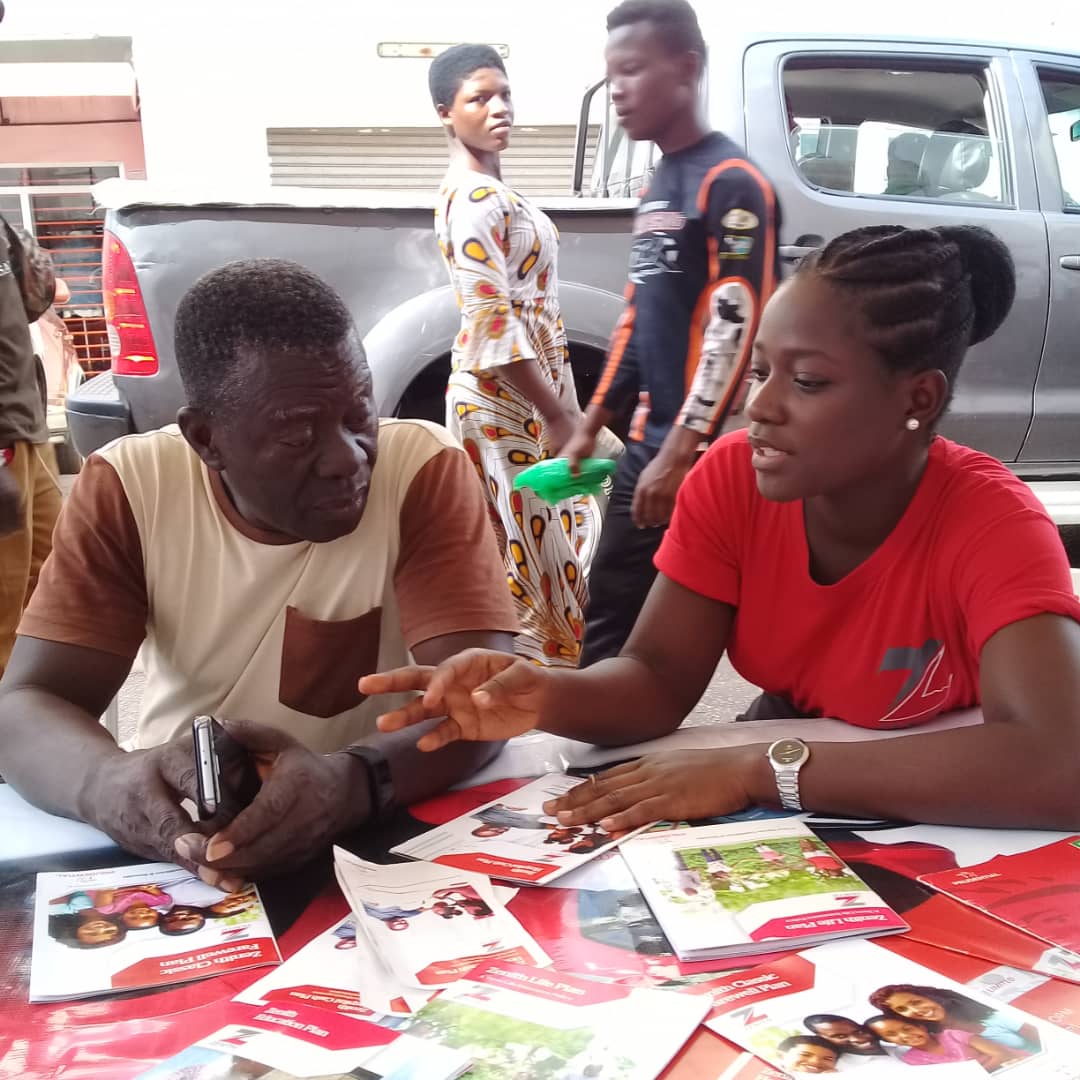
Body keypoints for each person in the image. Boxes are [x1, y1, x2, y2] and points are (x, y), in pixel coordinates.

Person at [361, 224, 1080, 833]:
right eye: (760, 371)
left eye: (807, 382)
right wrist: (540, 696)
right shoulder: (732, 480)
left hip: (951, 802)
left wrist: (760, 770)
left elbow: (1058, 764)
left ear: (917, 399)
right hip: (805, 768)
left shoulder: (993, 522)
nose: (759, 407)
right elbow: (656, 677)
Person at [0, 258, 517, 890]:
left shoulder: (420, 470)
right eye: (298, 437)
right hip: (193, 842)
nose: (347, 458)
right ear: (205, 439)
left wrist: (354, 782)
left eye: (359, 415)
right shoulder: (133, 487)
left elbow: (482, 697)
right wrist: (110, 783)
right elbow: (25, 707)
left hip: (376, 823)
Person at [567, 0, 781, 664]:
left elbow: (735, 325)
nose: (618, 90)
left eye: (632, 70)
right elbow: (638, 314)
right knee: (615, 612)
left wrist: (682, 452)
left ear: (686, 68)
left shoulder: (732, 183)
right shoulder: (661, 180)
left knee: (640, 624)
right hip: (651, 445)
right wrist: (591, 420)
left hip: (695, 454)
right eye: (612, 74)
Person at [429, 43, 603, 665]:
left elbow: (539, 316)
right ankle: (534, 691)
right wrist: (557, 414)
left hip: (524, 400)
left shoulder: (493, 193)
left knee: (547, 547)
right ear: (446, 113)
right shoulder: (474, 200)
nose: (499, 108)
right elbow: (491, 321)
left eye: (504, 94)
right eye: (479, 98)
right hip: (500, 403)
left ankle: (534, 686)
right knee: (539, 563)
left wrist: (565, 408)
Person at [0, 216, 62, 675]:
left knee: (54, 581)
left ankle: (30, 698)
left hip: (26, 424)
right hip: (4, 437)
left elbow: (35, 298)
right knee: (4, 601)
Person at [868, 984, 1041, 1053]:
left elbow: (1047, 1039)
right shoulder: (933, 1040)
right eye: (902, 1010)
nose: (915, 1011)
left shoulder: (992, 1016)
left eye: (916, 1002)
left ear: (930, 996)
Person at [864, 1014, 1023, 1068]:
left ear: (920, 1026)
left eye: (907, 1028)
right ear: (889, 1041)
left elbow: (1001, 1054)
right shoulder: (912, 1060)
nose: (905, 1035)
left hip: (1017, 1065)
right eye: (892, 1034)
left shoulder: (953, 1035)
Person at [803, 1015, 886, 1056]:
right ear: (823, 1040)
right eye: (841, 1036)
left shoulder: (891, 1047)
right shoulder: (840, 1071)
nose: (857, 1039)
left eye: (859, 1032)